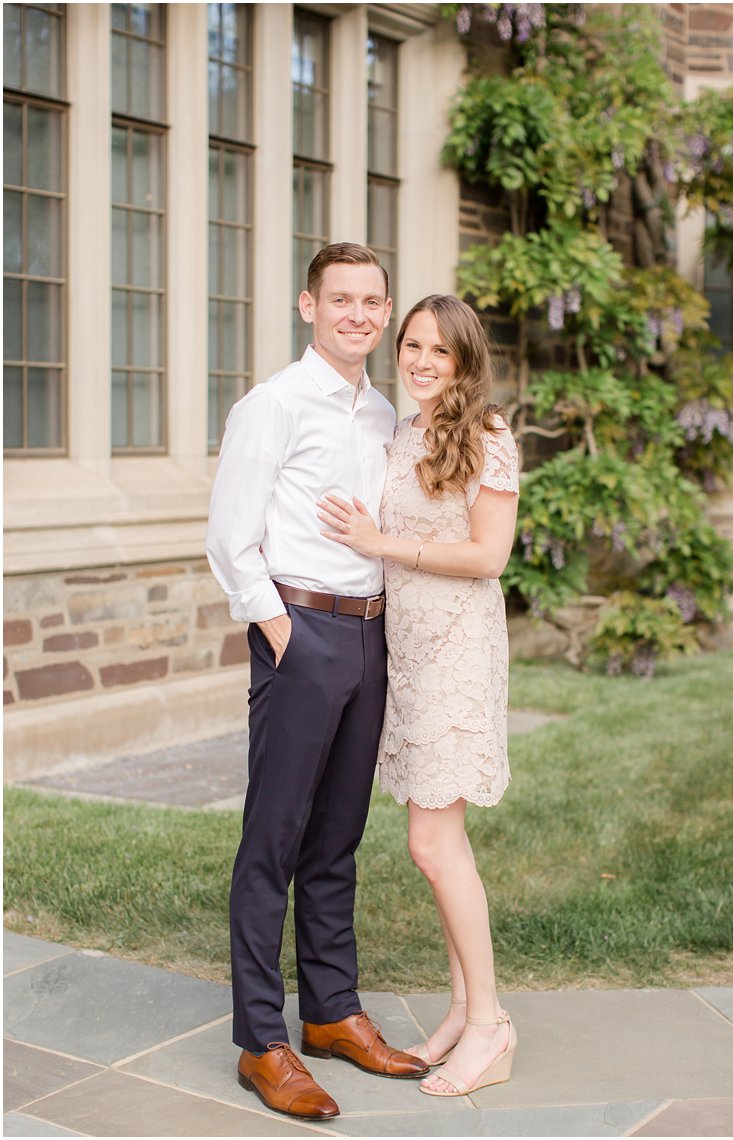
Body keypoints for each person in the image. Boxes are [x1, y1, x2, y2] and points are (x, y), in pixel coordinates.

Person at [207, 242, 429, 1122]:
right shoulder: (272, 406)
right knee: (274, 838)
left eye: (374, 302)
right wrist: (280, 632)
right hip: (300, 632)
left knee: (336, 840)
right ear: (309, 307)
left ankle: (333, 1012)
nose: (360, 315)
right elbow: (231, 536)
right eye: (342, 300)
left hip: (370, 637)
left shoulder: (383, 413)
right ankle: (263, 1041)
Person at [317, 293, 520, 1098]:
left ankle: (490, 1027)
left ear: (466, 360)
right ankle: (462, 1007)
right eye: (413, 347)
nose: (423, 362)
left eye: (441, 351)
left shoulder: (487, 435)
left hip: (458, 655)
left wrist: (380, 542)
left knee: (434, 846)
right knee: (438, 847)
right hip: (406, 654)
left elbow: (488, 555)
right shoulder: (404, 434)